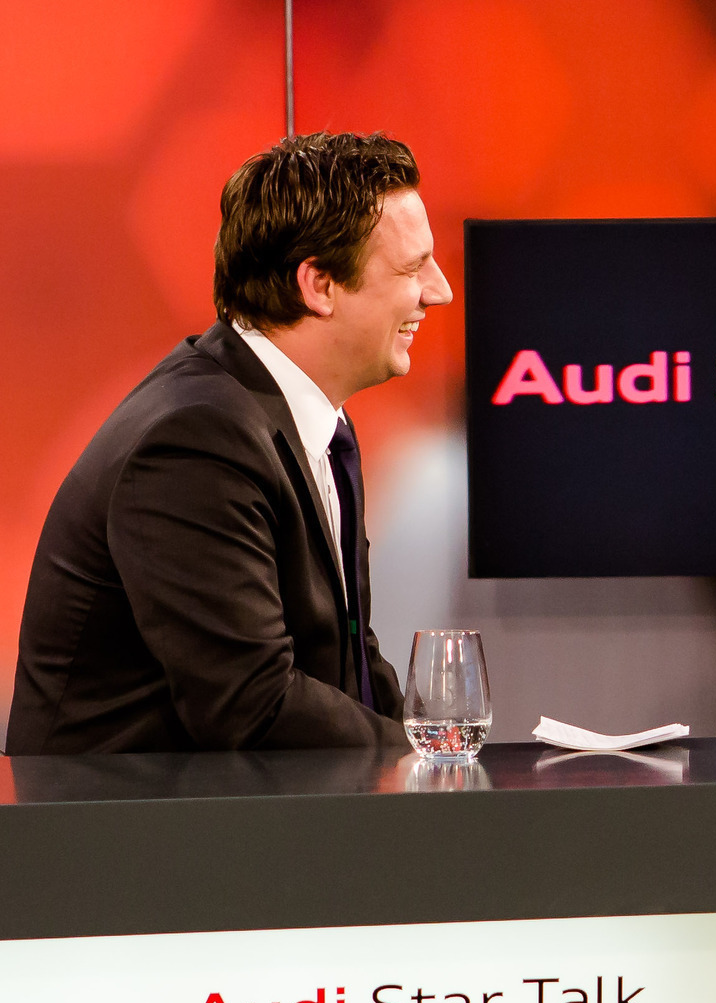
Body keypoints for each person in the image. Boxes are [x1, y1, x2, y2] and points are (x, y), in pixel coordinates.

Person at [7, 132, 450, 755]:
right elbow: (251, 704)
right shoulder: (195, 440)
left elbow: (346, 653)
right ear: (318, 285)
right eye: (411, 268)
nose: (440, 291)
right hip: (126, 841)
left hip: (236, 827)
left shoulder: (307, 423)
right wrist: (417, 758)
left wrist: (433, 758)